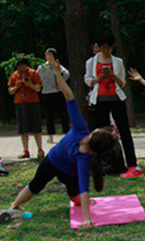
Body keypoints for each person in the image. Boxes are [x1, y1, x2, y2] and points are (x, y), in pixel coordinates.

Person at [7, 51, 117, 228]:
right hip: (52, 161)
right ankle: (14, 206)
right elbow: (70, 97)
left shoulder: (84, 156)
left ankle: (76, 202)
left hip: (68, 172)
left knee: (80, 199)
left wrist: (86, 218)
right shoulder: (82, 133)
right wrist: (57, 73)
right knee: (35, 186)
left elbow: (83, 188)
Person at [85, 32, 141, 178]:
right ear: (99, 47)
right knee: (100, 134)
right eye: (103, 47)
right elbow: (87, 80)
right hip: (99, 101)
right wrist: (98, 78)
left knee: (124, 131)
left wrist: (113, 76)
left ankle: (132, 164)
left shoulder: (118, 62)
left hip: (116, 99)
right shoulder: (91, 62)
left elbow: (122, 83)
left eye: (108, 47)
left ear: (112, 47)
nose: (106, 50)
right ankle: (102, 165)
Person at [7, 58, 43, 159]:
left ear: (26, 65)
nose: (21, 68)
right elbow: (10, 91)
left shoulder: (34, 73)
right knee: (23, 129)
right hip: (20, 103)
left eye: (23, 65)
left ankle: (40, 149)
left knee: (36, 127)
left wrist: (29, 84)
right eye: (19, 66)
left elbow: (38, 88)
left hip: (33, 102)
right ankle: (25, 150)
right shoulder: (14, 75)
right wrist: (17, 86)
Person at [37, 48, 70, 144]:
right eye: (47, 55)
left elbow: (67, 74)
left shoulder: (58, 65)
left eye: (50, 54)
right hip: (47, 93)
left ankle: (66, 134)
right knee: (49, 116)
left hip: (58, 93)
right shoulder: (42, 67)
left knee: (63, 114)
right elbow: (37, 77)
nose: (48, 56)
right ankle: (50, 137)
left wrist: (60, 81)